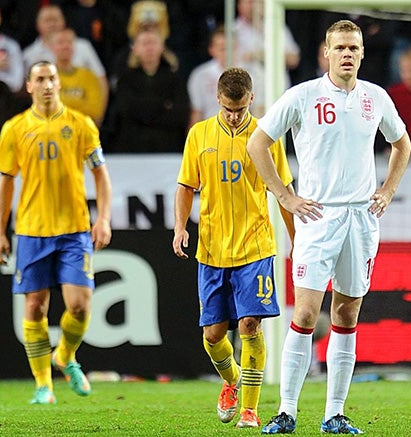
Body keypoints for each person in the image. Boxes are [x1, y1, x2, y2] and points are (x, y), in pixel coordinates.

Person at [247, 19, 411, 434]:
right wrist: (285, 197)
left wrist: (388, 190)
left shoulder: (376, 98)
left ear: (362, 53)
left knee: (347, 312)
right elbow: (257, 144)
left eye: (353, 48)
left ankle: (334, 414)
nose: (347, 55)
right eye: (339, 48)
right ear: (326, 52)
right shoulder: (303, 96)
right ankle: (286, 411)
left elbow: (401, 143)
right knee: (304, 311)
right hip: (318, 217)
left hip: (361, 217)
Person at [173, 67, 295, 429]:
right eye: (228, 109)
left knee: (250, 325)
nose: (234, 115)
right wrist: (180, 227)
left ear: (251, 100)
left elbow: (282, 190)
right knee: (213, 336)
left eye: (240, 109)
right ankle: (231, 380)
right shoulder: (199, 135)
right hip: (211, 249)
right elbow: (185, 186)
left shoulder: (266, 137)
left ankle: (251, 410)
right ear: (218, 100)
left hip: (255, 247)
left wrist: (297, 241)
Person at [0, 60, 112, 405]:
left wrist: (102, 219)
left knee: (79, 306)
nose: (47, 84)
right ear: (28, 85)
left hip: (74, 229)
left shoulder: (81, 124)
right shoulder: (14, 129)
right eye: (40, 79)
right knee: (34, 308)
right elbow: (5, 183)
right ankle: (43, 384)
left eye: (52, 78)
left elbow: (101, 175)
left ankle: (65, 355)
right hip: (31, 230)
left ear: (59, 84)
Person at [106, 28, 189, 153]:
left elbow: (179, 114)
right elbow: (125, 111)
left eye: (153, 42)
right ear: (135, 48)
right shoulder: (125, 79)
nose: (149, 48)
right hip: (132, 147)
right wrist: (163, 105)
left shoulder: (175, 78)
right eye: (144, 43)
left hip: (168, 147)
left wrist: (143, 107)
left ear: (162, 47)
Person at [22, 4, 109, 108]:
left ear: (64, 21)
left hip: (83, 114)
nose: (52, 24)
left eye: (55, 19)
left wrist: (98, 115)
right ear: (37, 25)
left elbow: (101, 80)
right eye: (47, 21)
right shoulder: (29, 54)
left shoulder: (83, 46)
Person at [50, 28, 105, 125]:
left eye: (69, 42)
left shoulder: (89, 76)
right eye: (60, 42)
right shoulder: (44, 77)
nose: (65, 46)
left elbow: (95, 110)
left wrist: (65, 105)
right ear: (52, 47)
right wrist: (79, 104)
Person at [187, 26, 225, 126]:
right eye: (222, 48)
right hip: (210, 133)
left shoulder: (252, 73)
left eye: (231, 47)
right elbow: (197, 112)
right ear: (211, 50)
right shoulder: (200, 75)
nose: (226, 52)